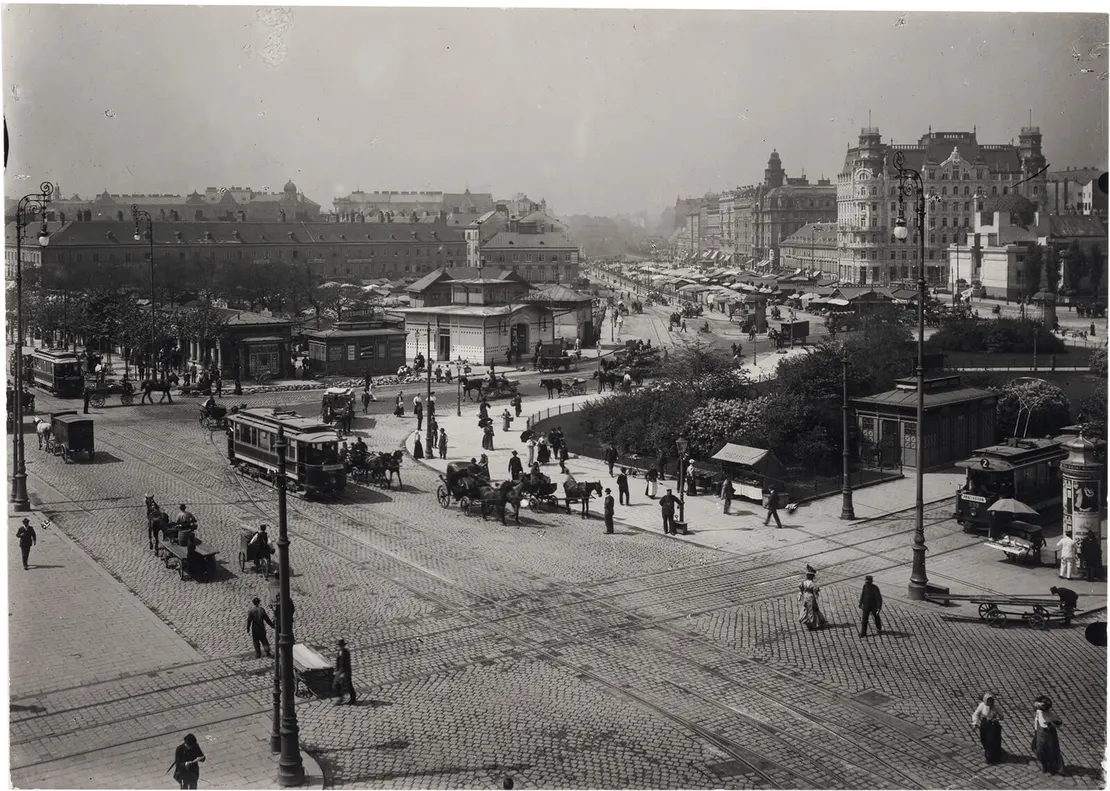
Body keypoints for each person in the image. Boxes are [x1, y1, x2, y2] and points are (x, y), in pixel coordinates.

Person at [1032, 696, 1064, 775]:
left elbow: (1059, 723)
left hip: (1049, 734)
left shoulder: (1051, 715)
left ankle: (1054, 767)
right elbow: (1036, 719)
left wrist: (1052, 723)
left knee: (1051, 751)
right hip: (1040, 732)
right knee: (1039, 749)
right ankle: (1044, 764)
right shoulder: (1039, 712)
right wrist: (1036, 730)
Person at [970, 693, 1005, 764]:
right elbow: (976, 714)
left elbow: (1001, 716)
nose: (990, 703)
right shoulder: (982, 706)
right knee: (984, 739)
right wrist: (975, 722)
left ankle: (991, 757)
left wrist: (997, 718)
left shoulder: (996, 707)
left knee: (992, 741)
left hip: (993, 725)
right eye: (988, 701)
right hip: (985, 724)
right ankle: (990, 753)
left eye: (991, 701)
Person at [334, 638, 356, 705]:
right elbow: (338, 661)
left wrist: (344, 673)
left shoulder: (346, 653)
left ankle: (353, 698)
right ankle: (340, 698)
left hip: (346, 671)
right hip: (340, 670)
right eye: (339, 645)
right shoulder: (339, 652)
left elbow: (347, 664)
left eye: (341, 645)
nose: (340, 647)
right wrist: (336, 669)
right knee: (336, 684)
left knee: (348, 685)